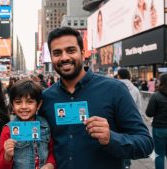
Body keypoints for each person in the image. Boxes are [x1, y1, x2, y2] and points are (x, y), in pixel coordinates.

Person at [39, 27, 153, 169]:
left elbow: (146, 143)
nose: (64, 57)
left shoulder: (114, 90)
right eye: (57, 53)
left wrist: (111, 138)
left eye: (70, 50)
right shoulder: (46, 98)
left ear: (82, 53)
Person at [0, 79, 56, 169]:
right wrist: (7, 155)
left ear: (39, 104)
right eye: (18, 102)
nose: (24, 107)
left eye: (29, 102)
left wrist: (50, 165)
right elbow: (1, 167)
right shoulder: (8, 130)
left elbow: (51, 152)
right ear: (12, 105)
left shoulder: (45, 125)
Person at [116, 68, 142, 169]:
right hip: (130, 121)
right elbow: (138, 107)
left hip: (115, 122)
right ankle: (127, 165)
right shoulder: (135, 89)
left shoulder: (112, 87)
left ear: (118, 76)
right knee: (127, 142)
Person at [145, 73, 167, 169]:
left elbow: (149, 113)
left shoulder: (156, 96)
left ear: (161, 82)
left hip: (159, 129)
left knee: (159, 154)